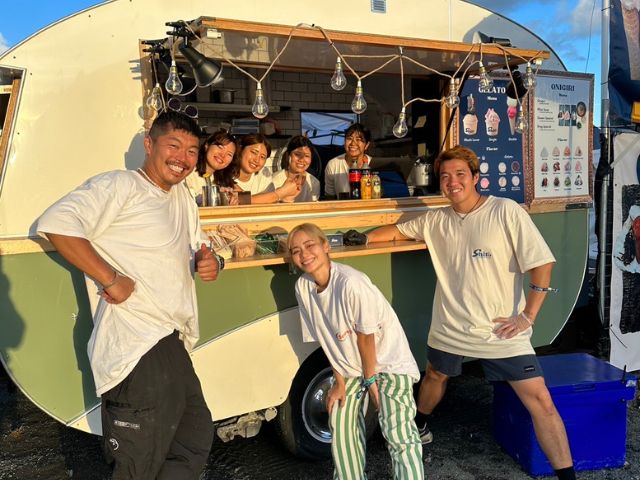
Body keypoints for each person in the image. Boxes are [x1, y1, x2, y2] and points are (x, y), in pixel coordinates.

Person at [349, 145, 577, 480]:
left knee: (541, 401)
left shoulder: (505, 210)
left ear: (475, 177)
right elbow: (396, 232)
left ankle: (568, 476)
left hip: (500, 332)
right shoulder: (436, 219)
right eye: (445, 176)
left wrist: (527, 317)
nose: (452, 182)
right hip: (450, 327)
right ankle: (420, 425)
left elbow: (542, 264)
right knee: (435, 376)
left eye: (459, 174)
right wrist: (360, 239)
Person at [36, 111, 220, 480]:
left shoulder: (182, 197)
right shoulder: (119, 186)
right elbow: (56, 224)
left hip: (172, 339)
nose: (182, 158)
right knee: (138, 465)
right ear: (149, 145)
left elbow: (198, 246)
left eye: (191, 151)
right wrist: (110, 278)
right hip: (135, 346)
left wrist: (211, 260)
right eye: (173, 146)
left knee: (192, 438)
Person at [288, 223, 424, 480]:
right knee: (340, 425)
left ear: (326, 246)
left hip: (387, 362)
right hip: (351, 369)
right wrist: (338, 382)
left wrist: (371, 381)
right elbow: (327, 340)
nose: (304, 254)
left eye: (309, 245)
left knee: (397, 432)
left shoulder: (351, 283)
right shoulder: (303, 288)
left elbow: (366, 338)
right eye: (296, 251)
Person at [231, 133, 298, 204]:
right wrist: (280, 193)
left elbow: (271, 201)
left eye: (262, 157)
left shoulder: (264, 173)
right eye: (254, 152)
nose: (257, 160)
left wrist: (285, 198)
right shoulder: (226, 174)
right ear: (241, 149)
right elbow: (240, 199)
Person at [184, 129, 237, 205]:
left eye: (229, 154)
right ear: (207, 146)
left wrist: (231, 198)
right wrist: (215, 196)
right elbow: (187, 200)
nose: (222, 155)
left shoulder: (223, 180)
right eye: (220, 147)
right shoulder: (187, 170)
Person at [324, 123, 372, 199]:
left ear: (366, 145)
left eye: (358, 139)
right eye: (349, 138)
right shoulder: (333, 165)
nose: (353, 143)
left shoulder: (373, 164)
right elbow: (330, 197)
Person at [272, 135, 320, 203]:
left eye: (307, 156)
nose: (302, 159)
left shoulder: (314, 183)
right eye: (297, 154)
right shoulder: (273, 180)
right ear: (288, 155)